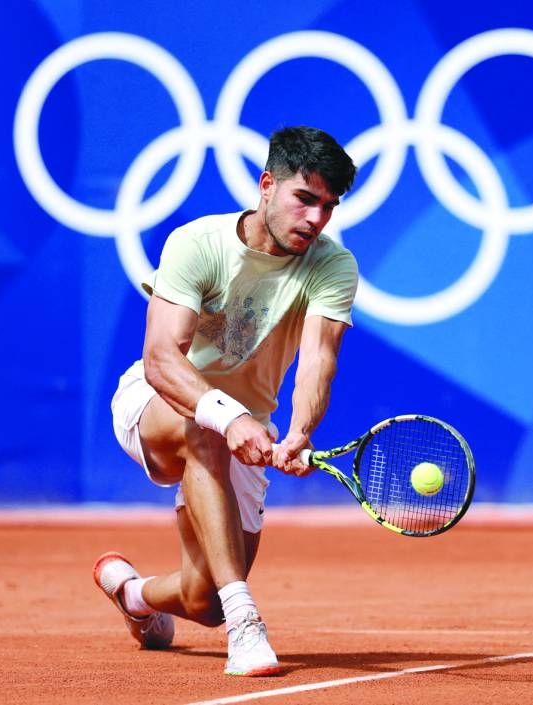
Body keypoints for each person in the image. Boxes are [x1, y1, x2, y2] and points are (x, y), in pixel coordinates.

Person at [93, 126, 358, 677]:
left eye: (328, 207)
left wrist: (298, 432)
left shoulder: (332, 266)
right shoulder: (199, 243)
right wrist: (228, 415)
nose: (315, 219)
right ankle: (248, 625)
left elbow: (316, 362)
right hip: (157, 402)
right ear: (266, 185)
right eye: (304, 199)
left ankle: (135, 595)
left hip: (246, 427)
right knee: (205, 430)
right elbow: (163, 357)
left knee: (203, 599)